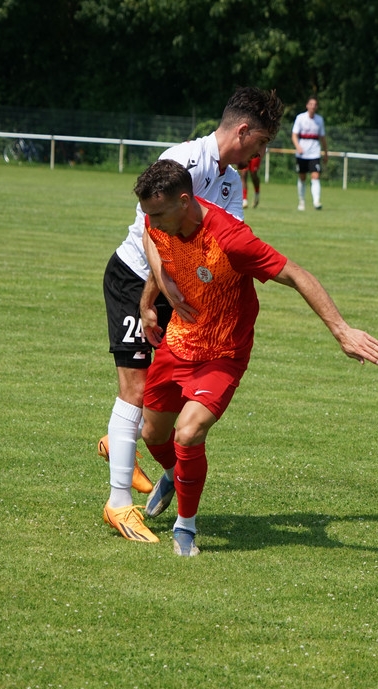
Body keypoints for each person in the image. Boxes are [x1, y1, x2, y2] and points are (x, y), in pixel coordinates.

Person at [135, 159, 378, 555]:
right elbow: (158, 248)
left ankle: (186, 526)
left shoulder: (231, 239)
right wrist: (149, 301)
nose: (151, 222)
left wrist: (342, 330)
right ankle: (173, 474)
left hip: (223, 351)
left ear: (184, 201)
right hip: (178, 341)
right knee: (153, 434)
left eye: (157, 214)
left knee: (188, 432)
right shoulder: (160, 220)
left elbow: (297, 274)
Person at [100, 87, 284, 544]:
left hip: (181, 291)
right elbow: (151, 233)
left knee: (163, 410)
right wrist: (152, 296)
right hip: (135, 279)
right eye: (261, 142)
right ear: (243, 131)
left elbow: (224, 243)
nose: (259, 153)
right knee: (135, 391)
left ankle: (128, 446)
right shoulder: (182, 160)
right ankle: (119, 503)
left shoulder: (231, 182)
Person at [291, 97, 328, 210]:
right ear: (307, 105)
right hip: (302, 153)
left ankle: (316, 201)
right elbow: (294, 135)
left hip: (314, 153)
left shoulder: (319, 120)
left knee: (315, 176)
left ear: (317, 107)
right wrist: (298, 147)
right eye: (311, 104)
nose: (313, 106)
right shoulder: (300, 118)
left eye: (315, 104)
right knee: (302, 177)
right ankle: (301, 201)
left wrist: (326, 153)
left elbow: (322, 138)